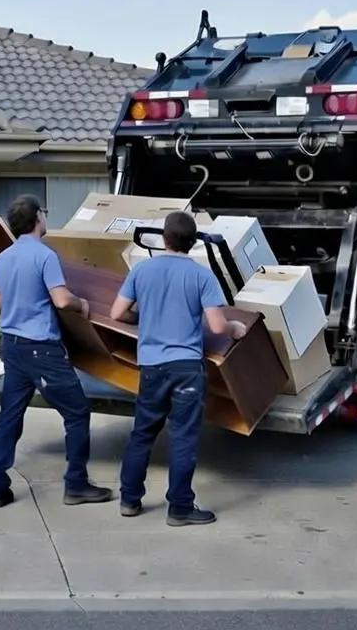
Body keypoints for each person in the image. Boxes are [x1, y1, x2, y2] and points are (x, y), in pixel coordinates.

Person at [107, 210, 247, 526]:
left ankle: (130, 500)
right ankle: (180, 508)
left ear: (165, 239)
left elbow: (117, 314)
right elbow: (216, 324)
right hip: (186, 368)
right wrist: (235, 328)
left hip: (152, 367)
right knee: (183, 437)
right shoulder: (202, 276)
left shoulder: (142, 270)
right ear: (193, 242)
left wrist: (145, 317)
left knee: (142, 434)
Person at [0, 194, 114, 509]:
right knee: (77, 411)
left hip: (12, 346)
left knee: (10, 415)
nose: (45, 215)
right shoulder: (45, 256)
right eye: (43, 211)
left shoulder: (3, 257)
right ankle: (76, 484)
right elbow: (61, 300)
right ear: (37, 219)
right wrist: (82, 304)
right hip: (41, 348)